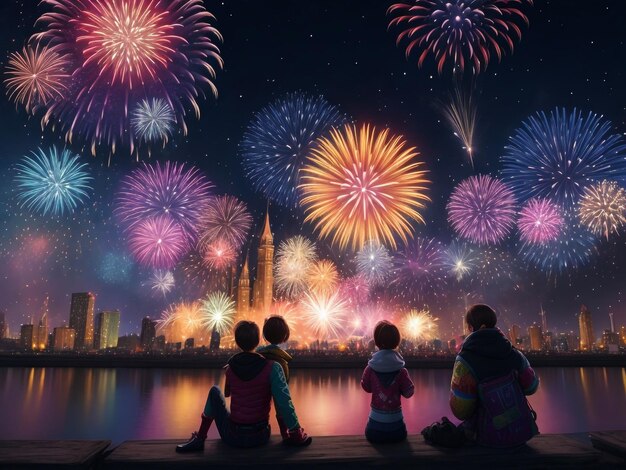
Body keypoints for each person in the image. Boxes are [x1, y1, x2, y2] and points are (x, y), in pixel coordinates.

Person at [176, 320, 312, 452]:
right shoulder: (273, 368)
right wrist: (295, 432)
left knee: (214, 392)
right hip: (260, 436)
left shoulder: (230, 369)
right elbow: (283, 403)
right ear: (259, 340)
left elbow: (227, 394)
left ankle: (200, 439)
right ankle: (295, 433)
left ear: (237, 342)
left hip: (233, 436)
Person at [449, 304, 540, 447]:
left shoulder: (465, 361)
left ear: (471, 327)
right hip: (520, 435)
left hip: (484, 439)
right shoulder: (514, 353)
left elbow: (461, 410)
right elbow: (532, 387)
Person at [361, 320, 415, 443]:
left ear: (377, 341)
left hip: (374, 430)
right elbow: (409, 393)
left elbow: (365, 387)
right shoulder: (402, 371)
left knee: (370, 431)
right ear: (397, 341)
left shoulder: (370, 368)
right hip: (397, 431)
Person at [257, 315, 293, 440]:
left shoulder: (257, 357)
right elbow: (282, 400)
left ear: (265, 335)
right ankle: (285, 434)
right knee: (281, 401)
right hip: (262, 431)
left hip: (252, 422)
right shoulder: (282, 364)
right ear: (285, 336)